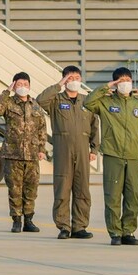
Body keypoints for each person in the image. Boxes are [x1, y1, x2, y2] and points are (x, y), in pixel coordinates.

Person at [84, 67, 138, 245]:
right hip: (113, 155)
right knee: (112, 196)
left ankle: (128, 232)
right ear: (115, 83)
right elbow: (88, 103)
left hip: (133, 157)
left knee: (132, 196)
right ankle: (115, 233)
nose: (125, 84)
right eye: (121, 81)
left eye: (128, 80)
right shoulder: (106, 102)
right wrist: (107, 87)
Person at [35, 66, 99, 239]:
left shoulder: (86, 102)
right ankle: (64, 226)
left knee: (82, 189)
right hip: (63, 149)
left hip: (82, 150)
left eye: (77, 77)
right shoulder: (56, 100)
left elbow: (95, 126)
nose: (75, 81)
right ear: (64, 80)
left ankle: (79, 226)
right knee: (62, 188)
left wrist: (94, 149)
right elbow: (40, 101)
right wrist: (59, 85)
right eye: (70, 78)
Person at [0, 73, 47, 234]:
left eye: (25, 83)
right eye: (19, 83)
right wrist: (6, 92)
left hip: (32, 154)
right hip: (13, 153)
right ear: (14, 85)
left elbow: (42, 129)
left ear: (29, 85)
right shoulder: (8, 103)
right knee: (15, 189)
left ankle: (29, 220)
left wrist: (42, 149)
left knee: (31, 189)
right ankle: (16, 220)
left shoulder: (35, 105)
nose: (23, 86)